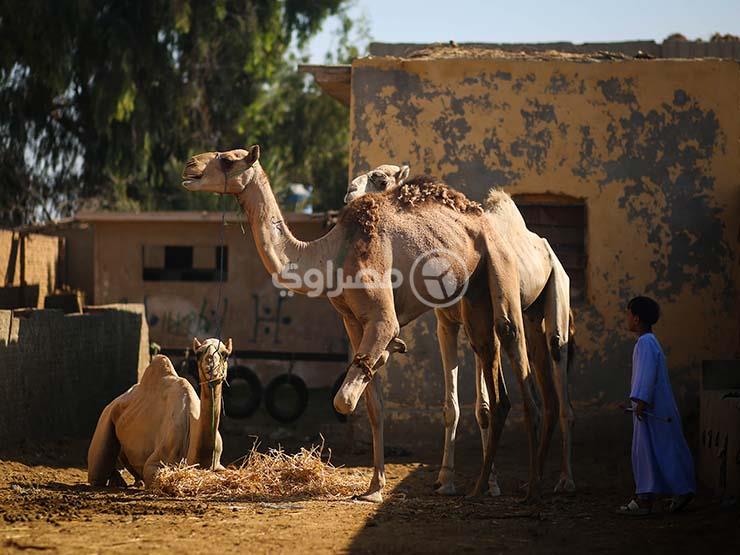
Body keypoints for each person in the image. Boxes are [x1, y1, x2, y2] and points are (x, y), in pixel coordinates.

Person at [617, 296, 696, 516]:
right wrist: (634, 403)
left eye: (628, 313)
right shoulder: (649, 341)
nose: (627, 318)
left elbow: (646, 375)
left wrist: (640, 402)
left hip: (651, 410)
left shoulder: (645, 343)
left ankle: (661, 495)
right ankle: (651, 497)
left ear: (637, 318)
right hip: (651, 409)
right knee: (657, 450)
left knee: (656, 450)